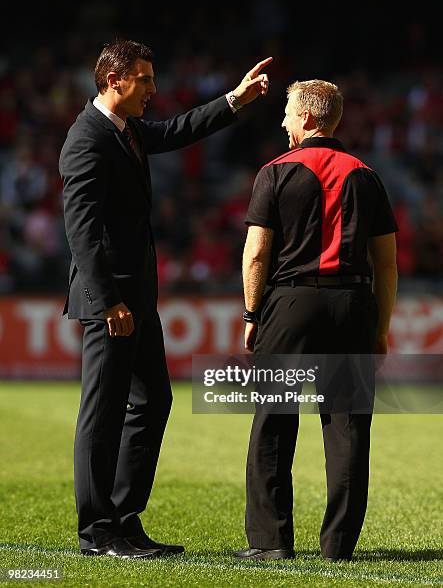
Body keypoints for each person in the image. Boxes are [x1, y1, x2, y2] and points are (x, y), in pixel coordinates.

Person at [59, 38, 271, 559]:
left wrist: (235, 100)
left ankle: (124, 518)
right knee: (102, 412)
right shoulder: (87, 139)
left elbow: (179, 130)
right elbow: (81, 231)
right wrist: (108, 301)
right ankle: (96, 532)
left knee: (153, 399)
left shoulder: (125, 130)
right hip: (112, 301)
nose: (154, 89)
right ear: (116, 80)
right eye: (146, 80)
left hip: (137, 297)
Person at [236, 79, 398, 561]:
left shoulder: (275, 172)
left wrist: (251, 311)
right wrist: (381, 327)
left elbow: (257, 252)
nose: (283, 121)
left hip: (290, 303)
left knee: (273, 421)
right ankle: (338, 546)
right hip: (351, 304)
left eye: (287, 112)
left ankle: (270, 543)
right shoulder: (366, 175)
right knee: (348, 428)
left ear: (307, 117)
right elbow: (386, 262)